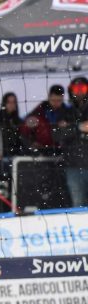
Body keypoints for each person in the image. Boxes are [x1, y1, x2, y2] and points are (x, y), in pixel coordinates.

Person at [0, 92, 27, 212]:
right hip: (0, 163)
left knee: (15, 188)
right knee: (1, 191)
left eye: (14, 102)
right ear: (4, 103)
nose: (11, 105)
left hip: (16, 162)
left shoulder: (18, 122)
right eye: (9, 102)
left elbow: (22, 142)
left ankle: (13, 209)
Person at [66, 77, 88, 207]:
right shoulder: (66, 111)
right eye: (76, 89)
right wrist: (78, 127)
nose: (79, 92)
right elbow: (56, 134)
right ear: (71, 91)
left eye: (83, 88)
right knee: (78, 206)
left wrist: (70, 128)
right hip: (74, 168)